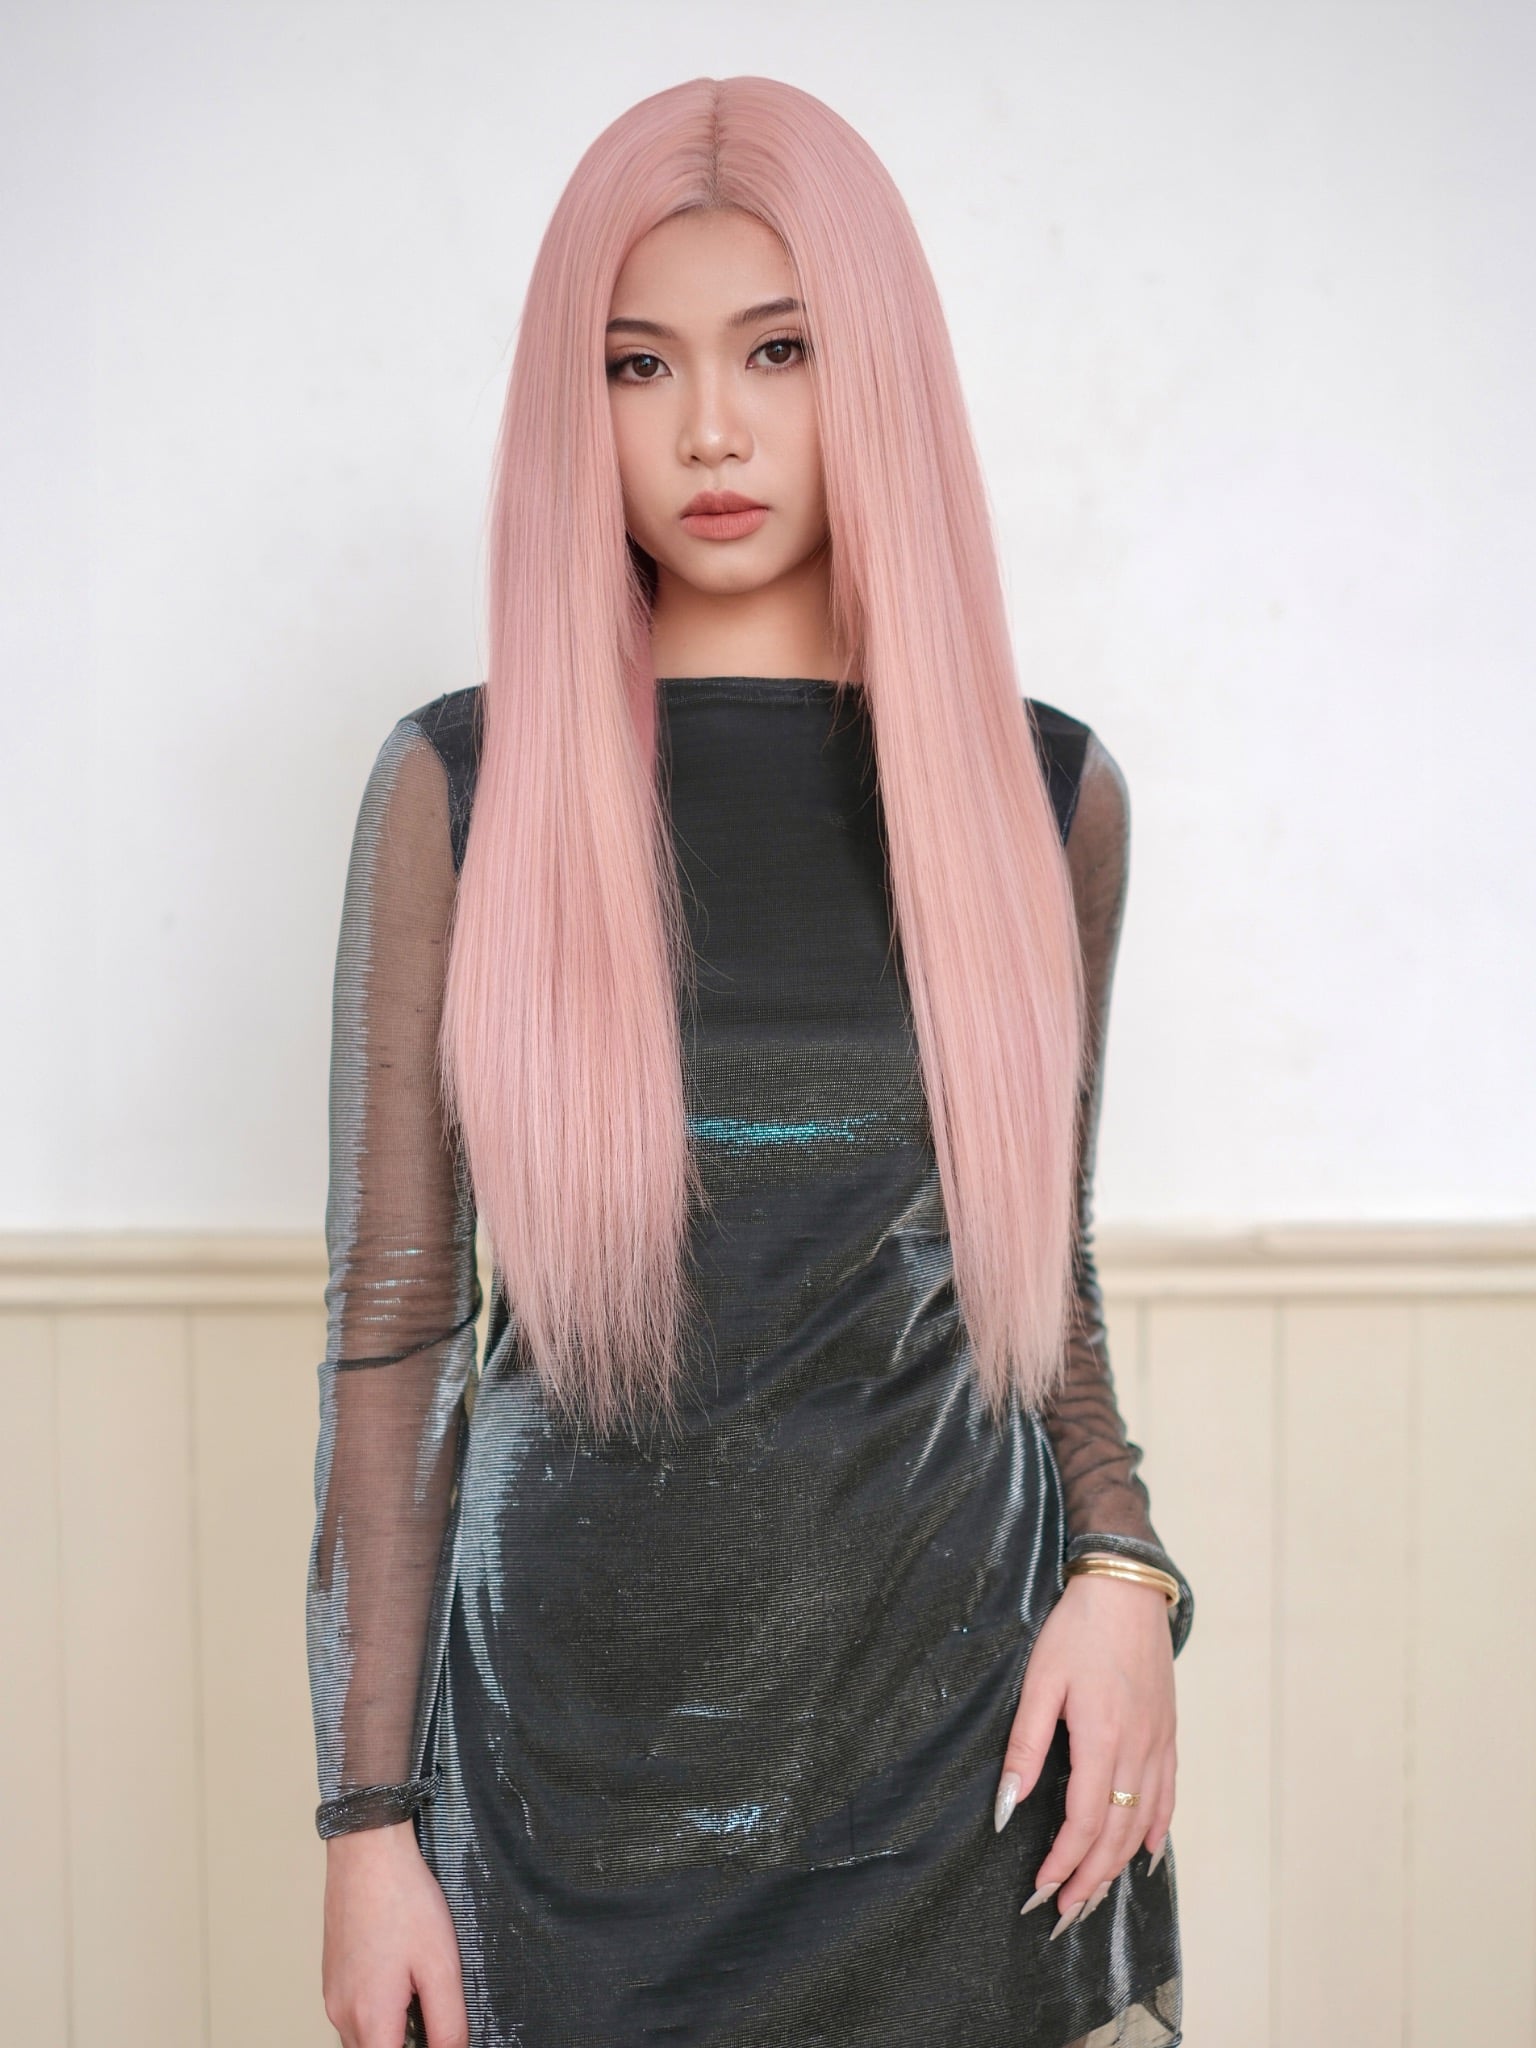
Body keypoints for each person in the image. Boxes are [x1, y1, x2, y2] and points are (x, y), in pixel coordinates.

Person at [307, 75, 1194, 2048]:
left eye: (778, 350)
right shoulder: (460, 786)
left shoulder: (1046, 798)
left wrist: (1124, 1570)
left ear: (874, 371)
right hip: (560, 1784)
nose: (709, 426)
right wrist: (368, 1826)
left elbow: (1035, 1274)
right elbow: (395, 1324)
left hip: (962, 1756)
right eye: (639, 366)